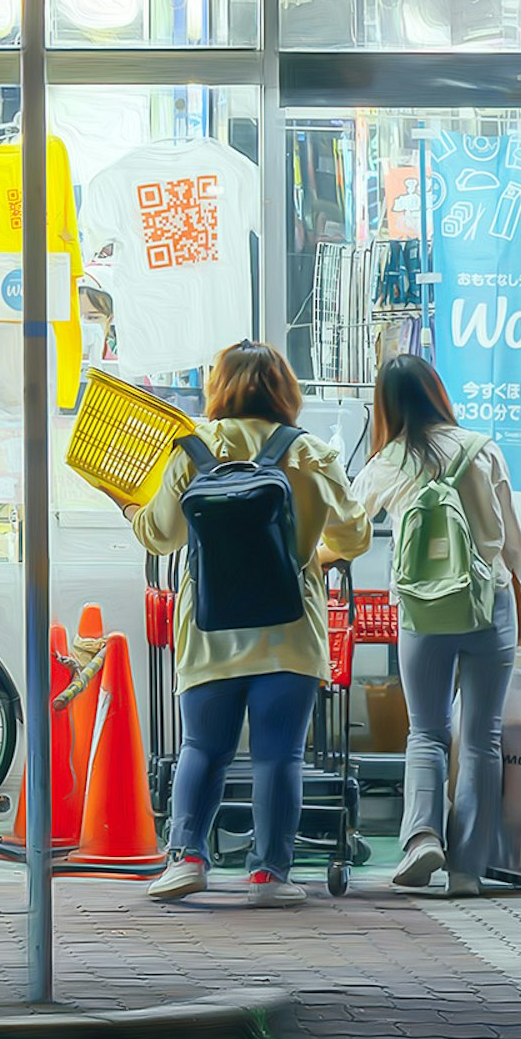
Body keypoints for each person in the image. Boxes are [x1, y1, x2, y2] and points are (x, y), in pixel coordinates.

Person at [135, 344, 369, 904]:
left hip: (210, 629)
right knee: (279, 756)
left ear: (220, 387)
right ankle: (268, 876)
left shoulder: (192, 450)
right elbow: (353, 537)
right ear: (285, 390)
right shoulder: (309, 452)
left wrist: (128, 509)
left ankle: (187, 858)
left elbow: (160, 534)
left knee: (202, 748)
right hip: (290, 630)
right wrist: (314, 546)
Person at [345, 346, 521, 896]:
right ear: (437, 393)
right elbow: (513, 548)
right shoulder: (482, 450)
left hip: (424, 609)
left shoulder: (387, 462)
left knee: (426, 731)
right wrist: (520, 612)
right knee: (481, 738)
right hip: (489, 602)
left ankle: (422, 835)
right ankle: (468, 868)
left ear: (386, 406)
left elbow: (351, 529)